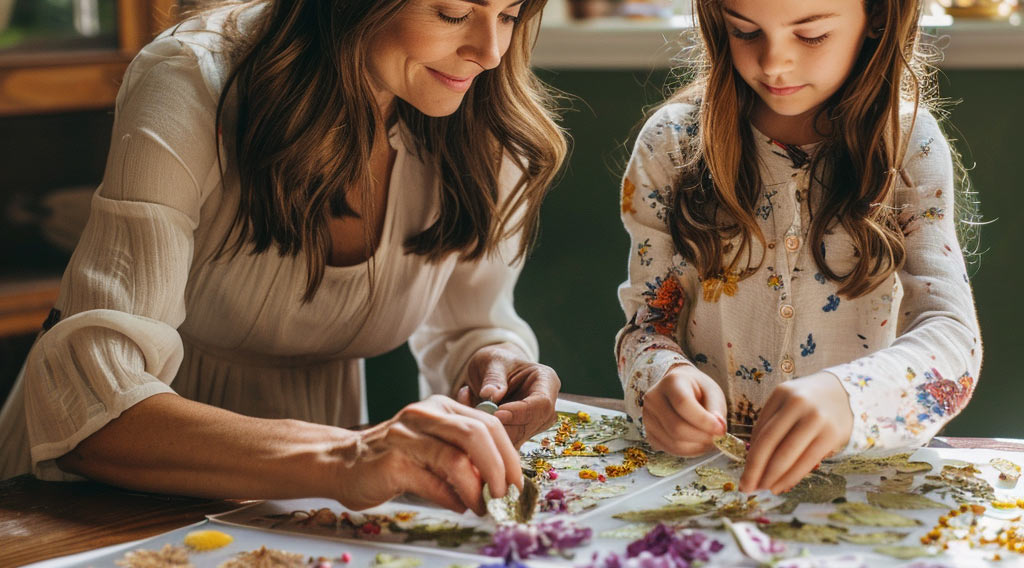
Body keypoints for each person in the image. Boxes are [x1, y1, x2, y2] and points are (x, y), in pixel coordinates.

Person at [0, 0, 567, 517]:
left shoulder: (482, 121)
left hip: (307, 498)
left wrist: (497, 362)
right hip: (90, 501)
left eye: (511, 15)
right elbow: (91, 406)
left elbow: (470, 323)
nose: (490, 53)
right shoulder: (191, 78)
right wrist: (348, 455)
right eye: (452, 13)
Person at [616, 0, 982, 495]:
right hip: (707, 485)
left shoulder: (907, 143)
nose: (773, 63)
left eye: (811, 36)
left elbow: (952, 338)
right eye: (744, 31)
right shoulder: (672, 142)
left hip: (865, 488)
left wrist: (849, 398)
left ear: (878, 16)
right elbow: (647, 326)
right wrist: (658, 376)